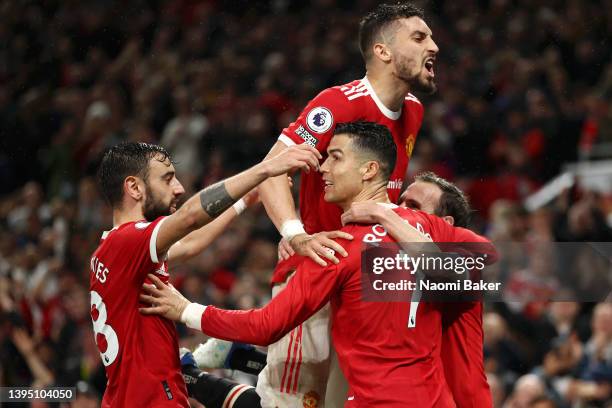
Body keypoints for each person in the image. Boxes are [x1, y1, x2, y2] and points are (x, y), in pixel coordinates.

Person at [140, 122, 495, 407]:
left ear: (369, 170)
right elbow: (487, 267)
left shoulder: (336, 250)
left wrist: (187, 310)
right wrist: (390, 219)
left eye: (335, 157)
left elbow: (266, 326)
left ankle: (203, 377)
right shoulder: (425, 227)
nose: (322, 167)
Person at [257, 3, 439, 405]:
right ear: (383, 51)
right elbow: (272, 170)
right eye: (419, 37)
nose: (435, 47)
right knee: (294, 401)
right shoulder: (337, 104)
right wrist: (295, 233)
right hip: (316, 275)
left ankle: (242, 364)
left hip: (364, 287)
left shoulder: (414, 111)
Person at [90, 141, 320, 406]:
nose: (179, 188)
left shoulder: (114, 251)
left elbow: (190, 243)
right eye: (167, 180)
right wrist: (265, 170)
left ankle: (194, 375)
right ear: (134, 188)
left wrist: (247, 197)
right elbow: (190, 218)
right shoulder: (128, 242)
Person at [341, 171, 493, 407]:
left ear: (445, 224)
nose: (399, 210)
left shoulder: (465, 250)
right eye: (398, 202)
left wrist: (382, 213)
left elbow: (476, 254)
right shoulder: (391, 264)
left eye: (412, 206)